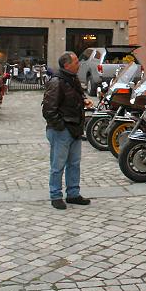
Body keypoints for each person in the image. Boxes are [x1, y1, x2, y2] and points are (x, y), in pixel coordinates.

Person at [41, 51, 93, 209]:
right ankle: (55, 195)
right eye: (76, 62)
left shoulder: (72, 79)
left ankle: (73, 194)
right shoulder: (57, 82)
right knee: (58, 165)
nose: (79, 64)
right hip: (62, 130)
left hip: (74, 128)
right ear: (66, 65)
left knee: (74, 164)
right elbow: (48, 110)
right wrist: (61, 127)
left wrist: (84, 101)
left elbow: (76, 97)